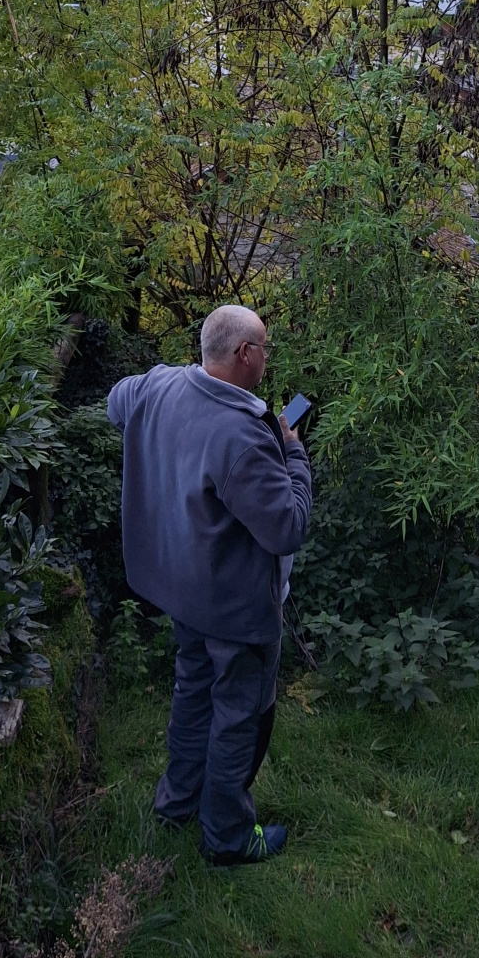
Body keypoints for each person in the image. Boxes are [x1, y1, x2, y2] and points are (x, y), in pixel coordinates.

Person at [106, 303, 312, 866]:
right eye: (265, 349)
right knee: (238, 715)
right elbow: (288, 526)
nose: (268, 358)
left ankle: (176, 805)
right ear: (245, 354)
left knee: (193, 694)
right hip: (234, 606)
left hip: (181, 589)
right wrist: (293, 453)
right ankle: (227, 836)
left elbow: (115, 403)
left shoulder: (157, 386)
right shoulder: (243, 438)